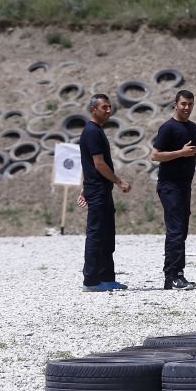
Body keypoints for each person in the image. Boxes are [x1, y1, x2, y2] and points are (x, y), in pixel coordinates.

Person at [77, 93, 131, 292]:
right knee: (96, 235)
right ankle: (91, 280)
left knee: (107, 236)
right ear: (94, 109)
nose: (109, 111)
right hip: (99, 191)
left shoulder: (96, 131)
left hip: (99, 190)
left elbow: (88, 164)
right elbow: (98, 164)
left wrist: (84, 187)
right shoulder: (91, 132)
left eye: (109, 107)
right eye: (104, 107)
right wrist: (118, 181)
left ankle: (107, 278)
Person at [150, 89, 196, 290]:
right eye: (183, 104)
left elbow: (194, 153)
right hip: (169, 186)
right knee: (176, 231)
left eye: (190, 104)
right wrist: (181, 153)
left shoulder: (193, 127)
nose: (187, 108)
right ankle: (175, 275)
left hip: (184, 185)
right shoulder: (168, 128)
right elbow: (155, 155)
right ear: (175, 105)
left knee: (181, 231)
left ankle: (170, 276)